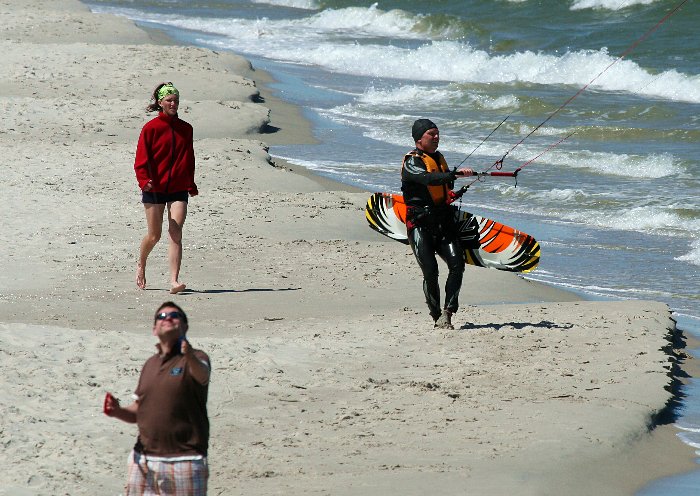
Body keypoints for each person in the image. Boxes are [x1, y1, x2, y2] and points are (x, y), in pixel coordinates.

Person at [104, 302, 211, 495]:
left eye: (174, 316)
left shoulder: (197, 357)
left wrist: (188, 355)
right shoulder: (150, 365)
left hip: (185, 460)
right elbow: (139, 410)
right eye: (161, 317)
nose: (167, 318)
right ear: (155, 330)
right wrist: (117, 411)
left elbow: (202, 376)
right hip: (143, 459)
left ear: (185, 326)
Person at [401, 119, 474, 330]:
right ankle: (435, 315)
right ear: (418, 139)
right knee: (431, 272)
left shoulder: (439, 159)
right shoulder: (411, 162)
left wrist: (454, 190)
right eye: (431, 134)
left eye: (437, 133)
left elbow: (443, 188)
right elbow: (428, 179)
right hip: (419, 226)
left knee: (457, 266)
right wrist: (452, 174)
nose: (436, 137)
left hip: (443, 222)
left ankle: (448, 313)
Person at [134, 82, 198, 294]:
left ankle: (174, 280)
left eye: (176, 100)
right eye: (169, 100)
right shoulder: (151, 129)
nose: (173, 103)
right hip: (154, 188)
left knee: (175, 232)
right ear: (160, 102)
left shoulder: (186, 129)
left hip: (178, 187)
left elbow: (189, 158)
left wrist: (191, 182)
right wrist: (144, 180)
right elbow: (140, 160)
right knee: (154, 235)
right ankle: (142, 263)